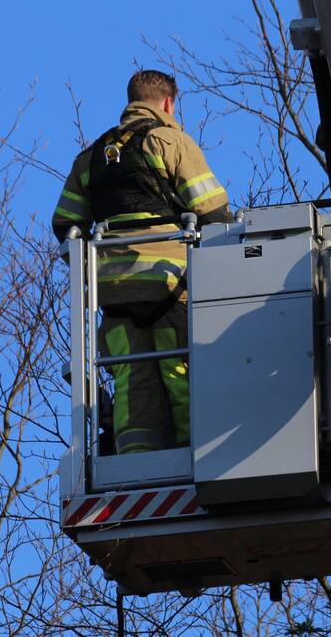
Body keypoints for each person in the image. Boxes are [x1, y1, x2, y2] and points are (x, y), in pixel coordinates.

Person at [52, 70, 230, 454]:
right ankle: (191, 452)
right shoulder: (171, 142)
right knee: (180, 371)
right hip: (170, 285)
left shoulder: (91, 157)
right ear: (168, 102)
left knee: (133, 380)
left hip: (112, 293)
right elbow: (213, 212)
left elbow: (67, 225)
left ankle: (136, 460)